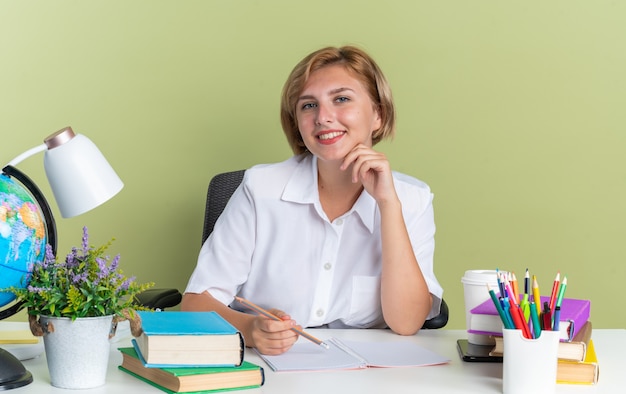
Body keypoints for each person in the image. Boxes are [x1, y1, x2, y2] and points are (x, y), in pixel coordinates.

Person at [182, 45, 443, 355]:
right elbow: (195, 304)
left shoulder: (412, 199)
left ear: (378, 114)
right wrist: (251, 330)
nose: (323, 117)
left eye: (341, 99)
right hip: (271, 368)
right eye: (308, 105)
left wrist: (388, 205)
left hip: (371, 374)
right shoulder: (261, 188)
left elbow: (407, 323)